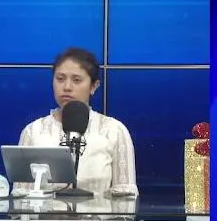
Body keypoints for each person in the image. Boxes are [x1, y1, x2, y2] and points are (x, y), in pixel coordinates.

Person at [17, 47, 138, 196]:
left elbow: (127, 196)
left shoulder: (114, 131)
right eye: (60, 79)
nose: (67, 87)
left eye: (76, 80)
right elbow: (20, 195)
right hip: (44, 212)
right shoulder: (33, 132)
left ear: (94, 86)